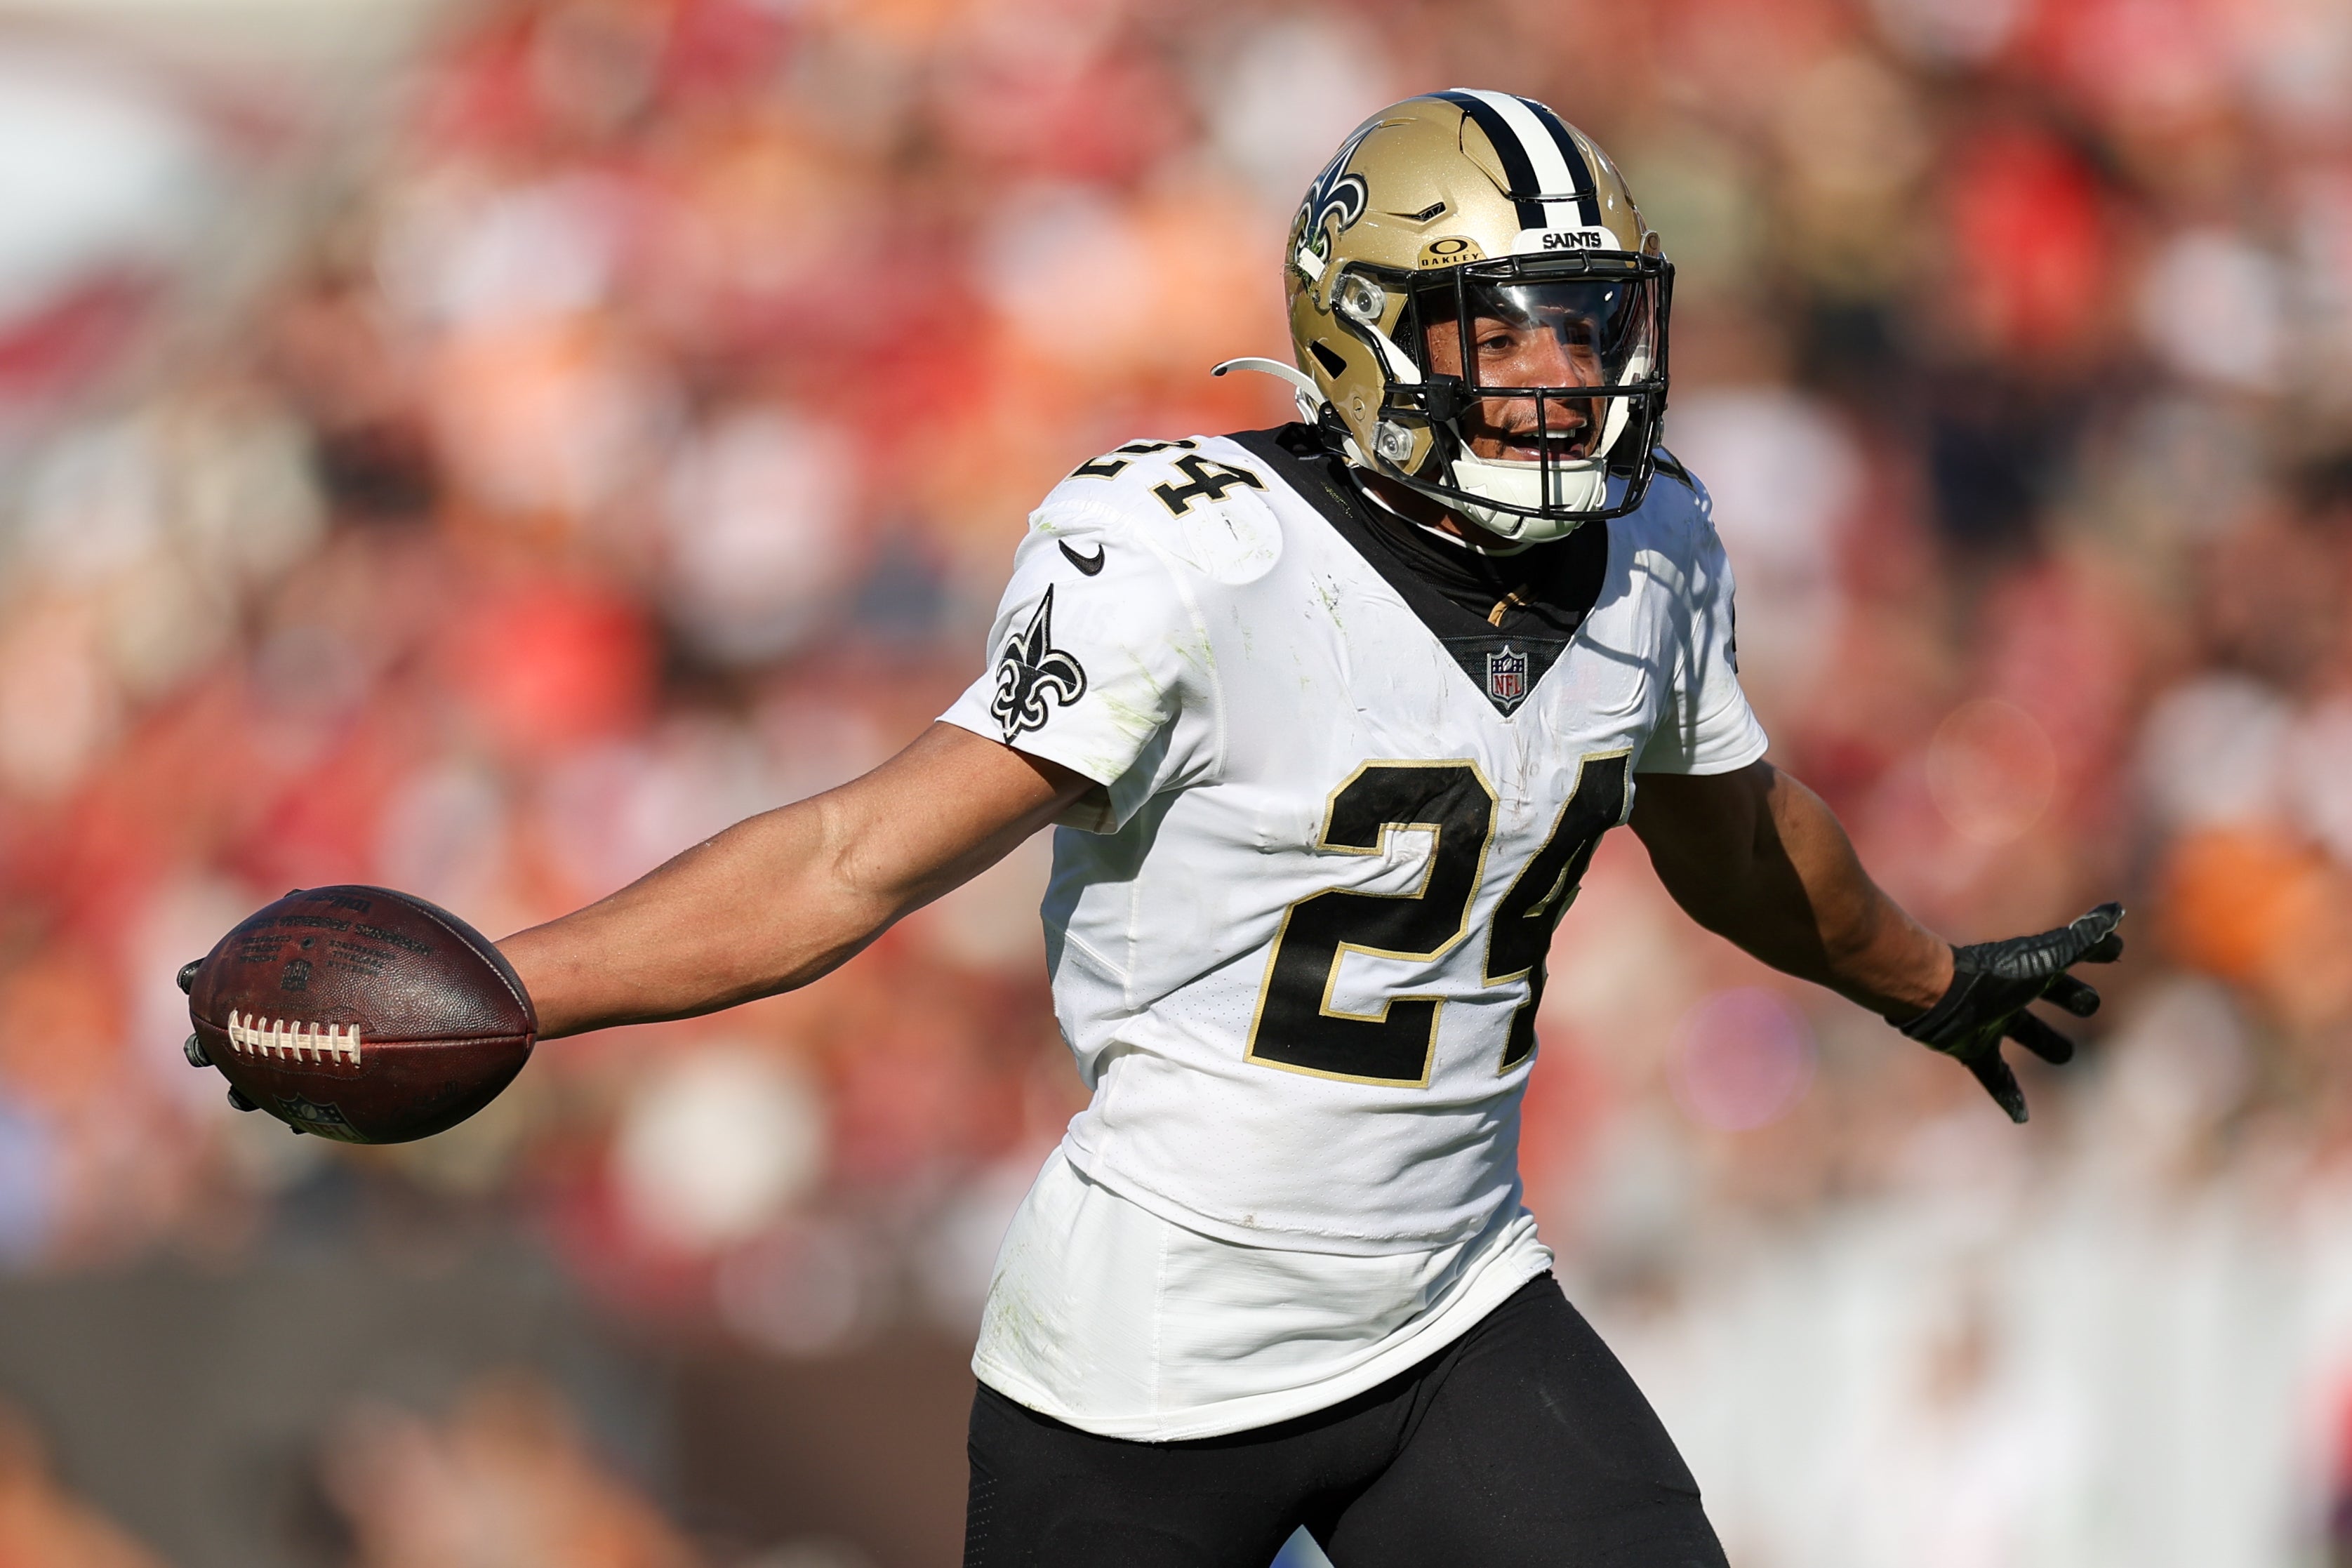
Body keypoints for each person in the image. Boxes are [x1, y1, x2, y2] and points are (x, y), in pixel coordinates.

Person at [411, 93, 2121, 1564]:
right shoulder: (1192, 549)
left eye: (1587, 325)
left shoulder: (1653, 541)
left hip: (1449, 1297)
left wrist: (1926, 976)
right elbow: (856, 857)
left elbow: (1736, 837)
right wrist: (500, 987)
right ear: (1361, 333)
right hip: (1148, 1359)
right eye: (1498, 330)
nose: (1558, 377)